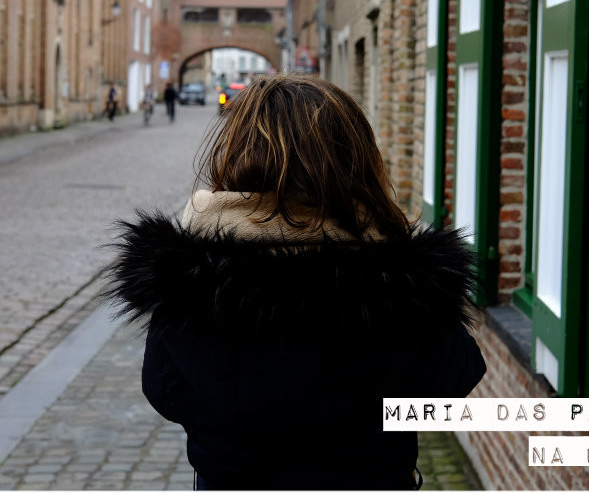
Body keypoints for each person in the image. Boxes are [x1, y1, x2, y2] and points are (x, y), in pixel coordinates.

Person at [101, 74, 486, 490]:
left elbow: (163, 389)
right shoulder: (404, 285)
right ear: (357, 161)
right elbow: (454, 376)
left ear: (235, 154)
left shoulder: (189, 283)